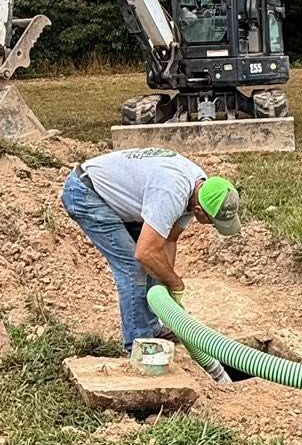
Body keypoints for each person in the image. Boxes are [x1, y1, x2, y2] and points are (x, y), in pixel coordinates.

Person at [60, 147, 242, 351]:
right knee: (134, 266)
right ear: (199, 211)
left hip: (124, 198)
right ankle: (139, 346)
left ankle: (152, 329)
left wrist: (166, 285)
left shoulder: (203, 189)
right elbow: (144, 253)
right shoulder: (171, 193)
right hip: (87, 193)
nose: (211, 225)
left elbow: (169, 240)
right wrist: (175, 282)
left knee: (155, 265)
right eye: (212, 221)